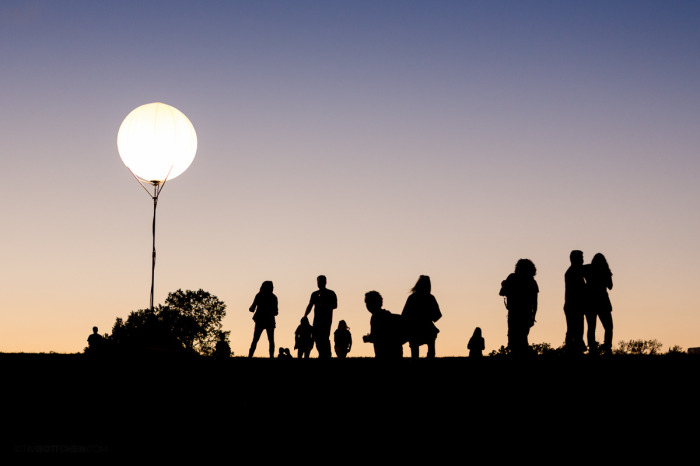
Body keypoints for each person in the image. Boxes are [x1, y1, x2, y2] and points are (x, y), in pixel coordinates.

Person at [499, 259, 539, 356]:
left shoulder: (512, 278)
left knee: (514, 338)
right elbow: (535, 302)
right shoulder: (532, 282)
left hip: (514, 313)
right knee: (523, 337)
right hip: (526, 313)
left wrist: (504, 284)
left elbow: (501, 293)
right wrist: (533, 317)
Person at [401, 275, 442, 359]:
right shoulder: (430, 298)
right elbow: (437, 315)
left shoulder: (412, 298)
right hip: (427, 328)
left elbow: (404, 315)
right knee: (431, 349)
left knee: (415, 353)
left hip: (414, 329)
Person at [585, 253, 614, 355]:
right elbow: (610, 286)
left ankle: (592, 348)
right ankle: (607, 348)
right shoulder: (604, 271)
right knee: (608, 327)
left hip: (590, 302)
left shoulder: (588, 269)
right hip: (602, 302)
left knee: (591, 327)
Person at [362, 291, 405, 359]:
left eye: (367, 303)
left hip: (383, 355)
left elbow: (376, 337)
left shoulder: (375, 318)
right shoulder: (389, 315)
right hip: (396, 353)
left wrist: (367, 338)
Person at [303, 275, 338, 359]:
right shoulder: (314, 294)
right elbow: (310, 305)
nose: (319, 283)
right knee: (316, 338)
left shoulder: (331, 293)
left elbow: (335, 305)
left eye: (321, 281)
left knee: (325, 338)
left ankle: (326, 355)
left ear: (325, 282)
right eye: (318, 282)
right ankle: (322, 354)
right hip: (316, 321)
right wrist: (305, 315)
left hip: (326, 320)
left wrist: (325, 306)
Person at [564, 250, 587, 355]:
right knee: (575, 329)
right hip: (573, 305)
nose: (583, 259)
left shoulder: (573, 271)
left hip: (572, 305)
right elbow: (579, 289)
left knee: (574, 329)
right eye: (581, 257)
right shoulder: (573, 272)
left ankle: (573, 349)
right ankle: (573, 350)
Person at [248, 281, 278, 358]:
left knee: (255, 339)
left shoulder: (259, 295)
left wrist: (251, 309)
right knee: (271, 340)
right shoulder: (274, 297)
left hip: (259, 319)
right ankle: (271, 356)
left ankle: (250, 356)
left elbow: (252, 307)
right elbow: (276, 312)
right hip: (270, 320)